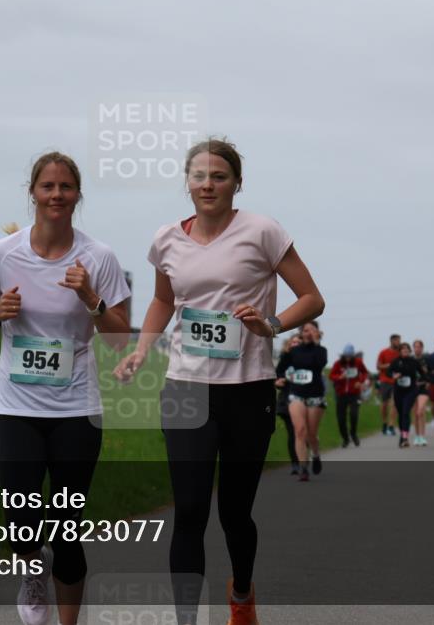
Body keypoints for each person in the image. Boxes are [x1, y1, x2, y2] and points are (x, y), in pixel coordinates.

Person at [113, 139, 324, 625]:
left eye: (219, 176)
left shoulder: (263, 232)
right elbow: (163, 301)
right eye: (199, 176)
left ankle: (242, 591)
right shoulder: (167, 238)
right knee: (188, 509)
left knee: (233, 513)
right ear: (187, 182)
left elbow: (312, 298)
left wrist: (271, 325)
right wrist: (142, 348)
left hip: (248, 389)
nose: (208, 185)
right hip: (186, 387)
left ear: (237, 183)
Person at [0, 152, 132, 625]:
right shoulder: (3, 253)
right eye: (47, 186)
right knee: (21, 523)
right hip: (17, 405)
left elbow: (120, 339)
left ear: (78, 194)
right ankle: (32, 573)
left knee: (66, 529)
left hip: (76, 407)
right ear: (32, 192)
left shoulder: (98, 257)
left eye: (66, 187)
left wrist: (90, 297)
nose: (56, 195)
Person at [278, 322, 329, 479]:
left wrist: (316, 342)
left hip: (315, 395)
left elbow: (320, 364)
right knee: (300, 431)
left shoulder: (321, 350)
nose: (309, 332)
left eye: (313, 330)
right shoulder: (293, 351)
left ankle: (315, 454)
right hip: (296, 394)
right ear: (301, 332)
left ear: (317, 333)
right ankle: (303, 467)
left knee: (311, 434)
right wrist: (279, 379)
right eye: (306, 330)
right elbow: (280, 369)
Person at [329, 343, 369, 448]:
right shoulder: (338, 364)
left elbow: (365, 373)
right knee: (341, 419)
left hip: (354, 394)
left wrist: (360, 382)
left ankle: (353, 433)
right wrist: (339, 377)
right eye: (346, 356)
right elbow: (331, 375)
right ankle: (345, 438)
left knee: (354, 414)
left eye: (349, 356)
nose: (347, 358)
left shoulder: (358, 362)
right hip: (341, 394)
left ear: (352, 356)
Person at [274, 334, 302, 474]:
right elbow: (277, 375)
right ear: (289, 344)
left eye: (298, 342)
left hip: (303, 400)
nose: (295, 344)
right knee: (293, 434)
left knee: (302, 433)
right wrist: (277, 382)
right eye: (293, 342)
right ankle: (295, 464)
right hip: (286, 400)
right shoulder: (284, 358)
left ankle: (305, 455)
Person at [388, 342, 420, 448]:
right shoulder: (395, 362)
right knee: (401, 414)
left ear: (410, 351)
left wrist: (423, 381)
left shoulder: (414, 362)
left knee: (406, 412)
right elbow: (388, 372)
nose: (405, 350)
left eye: (407, 349)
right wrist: (394, 375)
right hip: (398, 391)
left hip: (411, 390)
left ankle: (405, 437)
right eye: (403, 349)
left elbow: (423, 374)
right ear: (400, 351)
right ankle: (402, 436)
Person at [376, 334, 401, 436]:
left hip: (396, 381)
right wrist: (388, 365)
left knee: (395, 403)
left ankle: (391, 425)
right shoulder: (383, 352)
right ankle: (385, 423)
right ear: (391, 341)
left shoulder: (400, 353)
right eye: (396, 341)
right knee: (385, 404)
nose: (398, 342)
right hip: (385, 380)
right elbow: (378, 366)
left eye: (399, 340)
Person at [411, 340, 433, 446]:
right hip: (412, 388)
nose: (417, 349)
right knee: (415, 413)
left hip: (423, 387)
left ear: (422, 348)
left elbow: (432, 372)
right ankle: (417, 436)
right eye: (415, 347)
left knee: (421, 410)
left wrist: (429, 381)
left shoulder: (427, 359)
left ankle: (423, 436)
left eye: (419, 347)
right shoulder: (410, 359)